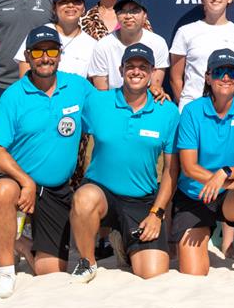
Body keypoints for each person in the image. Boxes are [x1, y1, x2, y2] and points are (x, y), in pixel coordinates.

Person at [0, 26, 93, 298]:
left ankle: (20, 243)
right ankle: (5, 272)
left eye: (52, 51)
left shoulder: (77, 87)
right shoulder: (14, 95)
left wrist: (153, 90)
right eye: (38, 52)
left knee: (50, 271)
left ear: (60, 55)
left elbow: (109, 109)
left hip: (56, 189)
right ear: (28, 57)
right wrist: (26, 181)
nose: (45, 58)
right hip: (19, 182)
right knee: (2, 190)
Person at [70, 43, 180, 282]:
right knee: (84, 198)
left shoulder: (168, 111)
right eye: (130, 66)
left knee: (152, 272)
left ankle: (122, 242)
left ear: (152, 73)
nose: (136, 71)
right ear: (121, 70)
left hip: (140, 200)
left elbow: (172, 170)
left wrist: (157, 213)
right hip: (102, 192)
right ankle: (87, 262)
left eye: (143, 67)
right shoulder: (97, 101)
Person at [172, 49, 234, 278]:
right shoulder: (192, 111)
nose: (225, 77)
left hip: (227, 197)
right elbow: (189, 167)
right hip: (195, 196)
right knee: (194, 272)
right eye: (219, 72)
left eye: (232, 72)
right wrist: (227, 182)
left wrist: (225, 174)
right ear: (208, 77)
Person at [169, 0, 234, 109]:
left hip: (227, 110)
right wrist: (187, 108)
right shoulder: (185, 31)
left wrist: (232, 106)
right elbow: (175, 78)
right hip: (192, 105)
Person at [87, 0, 169, 95]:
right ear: (116, 15)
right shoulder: (103, 46)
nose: (128, 16)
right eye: (122, 11)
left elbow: (155, 88)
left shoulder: (158, 43)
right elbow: (102, 93)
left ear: (144, 15)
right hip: (113, 102)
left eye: (134, 11)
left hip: (146, 101)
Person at [14, 0, 97, 79]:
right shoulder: (37, 34)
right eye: (64, 1)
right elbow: (25, 77)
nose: (70, 5)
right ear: (54, 8)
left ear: (83, 8)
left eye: (76, 1)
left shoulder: (92, 45)